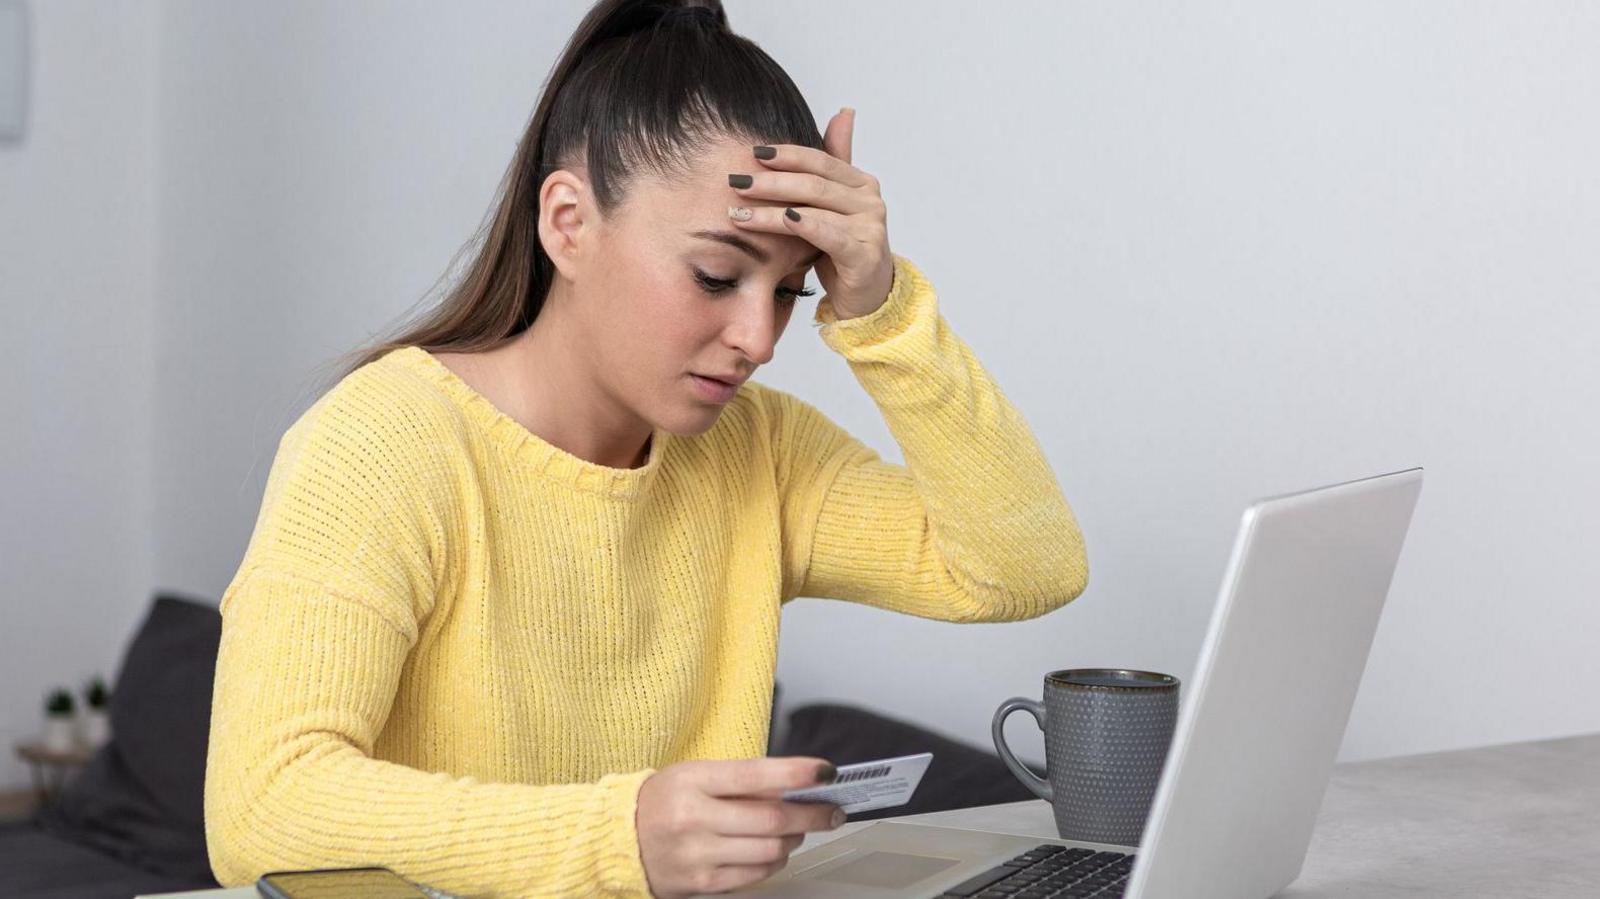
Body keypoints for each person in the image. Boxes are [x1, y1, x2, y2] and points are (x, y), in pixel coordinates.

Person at [201, 1, 1089, 897]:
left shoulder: (758, 451)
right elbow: (259, 808)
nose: (759, 337)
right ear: (568, 222)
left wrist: (882, 308)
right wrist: (619, 835)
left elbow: (1022, 566)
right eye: (717, 274)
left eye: (789, 289)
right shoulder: (384, 443)